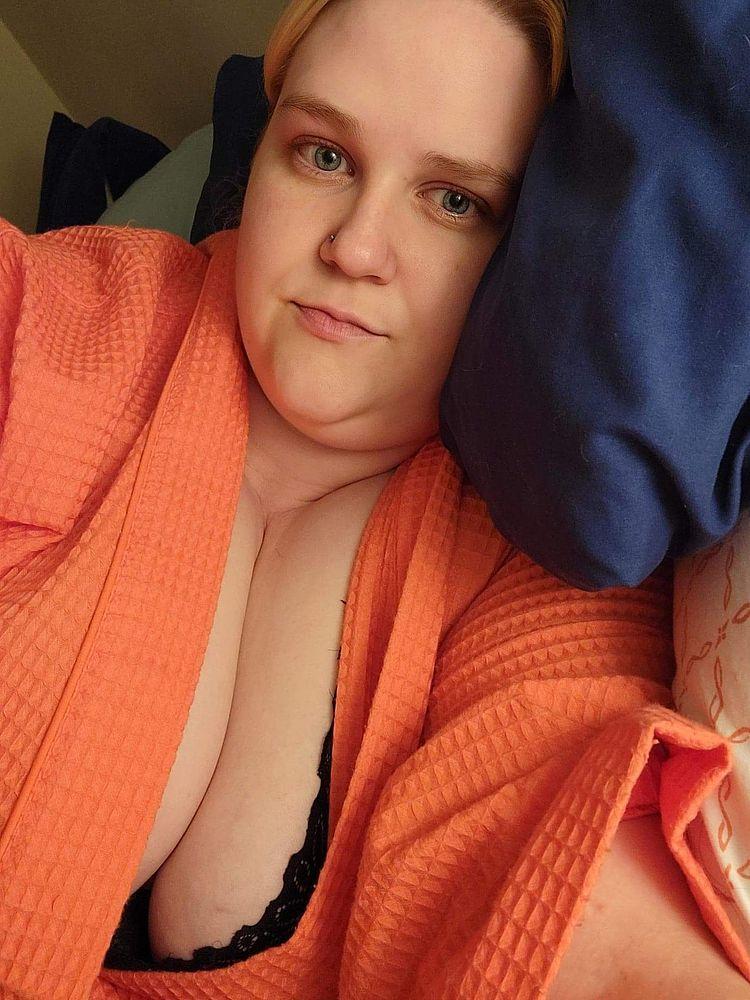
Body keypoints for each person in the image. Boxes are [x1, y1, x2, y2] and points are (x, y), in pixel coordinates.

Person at [1, 0, 749, 997]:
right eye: (323, 156)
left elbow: (557, 889)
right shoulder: (67, 316)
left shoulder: (535, 552)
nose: (355, 248)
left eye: (454, 202)